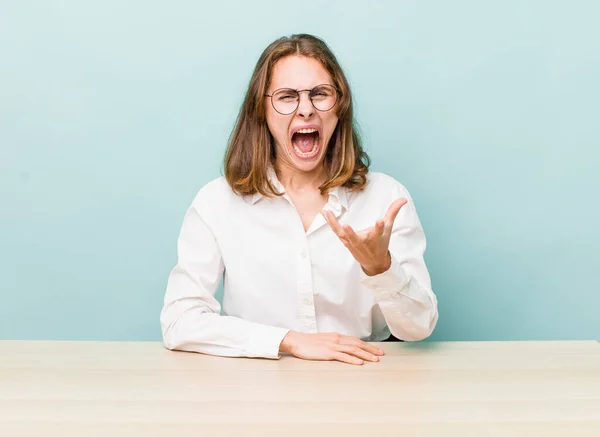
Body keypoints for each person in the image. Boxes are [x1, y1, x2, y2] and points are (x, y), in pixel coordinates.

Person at [160, 34, 438, 365]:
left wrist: (381, 268)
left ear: (339, 107)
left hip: (364, 383)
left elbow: (419, 328)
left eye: (320, 94)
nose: (305, 109)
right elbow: (180, 321)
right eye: (287, 96)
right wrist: (288, 341)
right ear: (261, 110)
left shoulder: (385, 198)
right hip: (255, 391)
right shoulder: (216, 202)